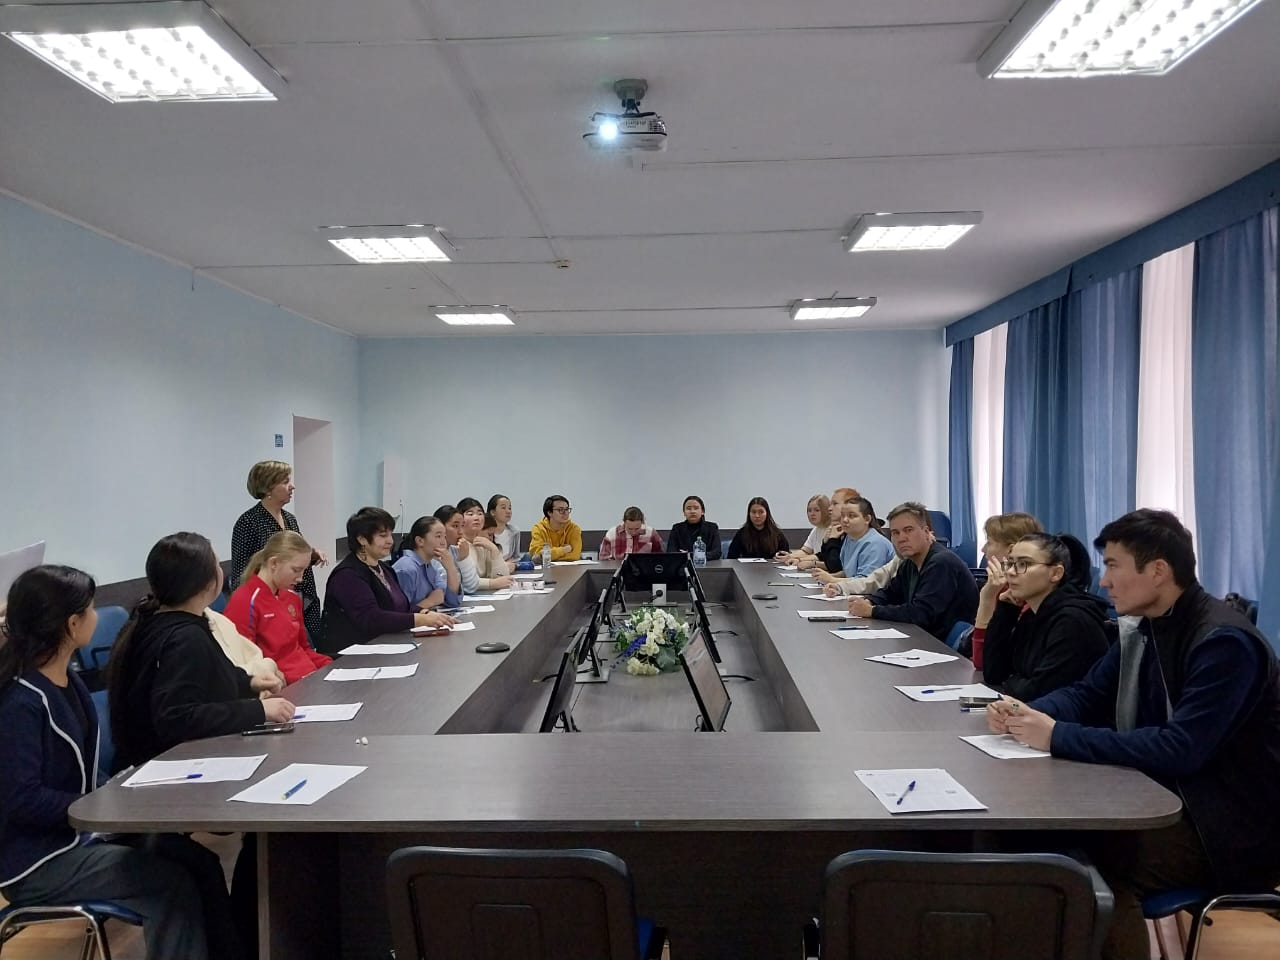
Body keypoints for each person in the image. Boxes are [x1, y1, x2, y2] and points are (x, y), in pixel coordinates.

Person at [987, 509, 1280, 960]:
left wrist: (1056, 735)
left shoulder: (1223, 643)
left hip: (1227, 828)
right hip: (1163, 799)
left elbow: (1180, 749)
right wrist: (1025, 712)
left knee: (1087, 873)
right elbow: (1087, 694)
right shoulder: (1146, 627)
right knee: (1033, 843)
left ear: (1157, 571)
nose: (1104, 581)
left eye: (1113, 566)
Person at [0, 565, 247, 960]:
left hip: (81, 834)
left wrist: (120, 790)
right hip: (40, 861)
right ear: (72, 624)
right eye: (90, 609)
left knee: (197, 860)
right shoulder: (21, 702)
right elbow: (22, 799)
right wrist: (98, 807)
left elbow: (82, 770)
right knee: (171, 884)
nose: (96, 617)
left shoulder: (68, 680)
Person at [105, 533, 296, 956]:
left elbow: (208, 681)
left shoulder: (165, 624)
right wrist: (257, 711)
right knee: (261, 836)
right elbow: (176, 717)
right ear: (209, 581)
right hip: (168, 774)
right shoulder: (185, 636)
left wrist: (249, 683)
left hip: (160, 765)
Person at [978, 532, 1109, 702]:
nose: (1010, 572)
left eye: (1024, 564)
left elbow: (1037, 693)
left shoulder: (1072, 621)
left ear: (1056, 573)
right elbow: (994, 673)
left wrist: (1011, 680)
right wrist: (1006, 610)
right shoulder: (1032, 614)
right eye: (1010, 563)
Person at [322, 508, 456, 653]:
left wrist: (426, 613)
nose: (390, 541)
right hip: (354, 653)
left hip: (384, 645)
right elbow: (371, 618)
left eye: (390, 534)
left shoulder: (384, 569)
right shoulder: (348, 575)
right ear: (362, 539)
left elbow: (402, 607)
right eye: (382, 536)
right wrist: (420, 619)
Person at [848, 502, 978, 641]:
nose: (901, 538)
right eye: (895, 533)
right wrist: (868, 601)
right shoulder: (910, 563)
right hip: (921, 637)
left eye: (908, 530)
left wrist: (872, 611)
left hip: (941, 645)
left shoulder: (941, 563)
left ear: (926, 532)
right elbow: (890, 593)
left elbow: (920, 614)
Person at [230, 460, 326, 647]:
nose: (292, 486)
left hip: (301, 596)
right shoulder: (248, 522)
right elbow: (242, 573)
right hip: (270, 603)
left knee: (309, 647)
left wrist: (311, 555)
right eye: (285, 481)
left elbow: (292, 554)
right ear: (268, 487)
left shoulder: (290, 518)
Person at [224, 531, 333, 685]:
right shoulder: (245, 601)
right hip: (283, 686)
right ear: (274, 563)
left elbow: (303, 648)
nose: (300, 578)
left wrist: (331, 666)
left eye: (303, 571)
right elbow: (243, 664)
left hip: (309, 679)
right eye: (296, 570)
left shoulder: (291, 597)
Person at [969, 512, 1045, 668]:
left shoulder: (1028, 599)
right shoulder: (1003, 589)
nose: (983, 549)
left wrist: (987, 600)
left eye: (989, 542)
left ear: (1011, 550)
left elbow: (983, 661)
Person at [817, 498, 894, 585]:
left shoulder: (876, 543)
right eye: (842, 515)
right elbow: (849, 572)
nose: (845, 520)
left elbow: (867, 582)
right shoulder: (849, 538)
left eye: (851, 516)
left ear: (867, 519)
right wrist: (828, 576)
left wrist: (832, 580)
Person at [393, 515, 459, 609]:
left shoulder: (430, 566)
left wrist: (450, 568)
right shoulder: (406, 569)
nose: (443, 542)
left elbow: (452, 601)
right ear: (420, 541)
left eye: (444, 536)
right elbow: (400, 613)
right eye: (438, 536)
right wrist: (430, 601)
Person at [458, 497, 514, 590]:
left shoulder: (483, 543)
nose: (476, 518)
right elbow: (464, 582)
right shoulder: (458, 544)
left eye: (480, 513)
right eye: (470, 514)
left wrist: (494, 549)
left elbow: (502, 576)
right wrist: (492, 583)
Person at [435, 504, 480, 594]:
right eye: (455, 526)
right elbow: (447, 592)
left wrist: (464, 558)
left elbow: (472, 587)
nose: (460, 532)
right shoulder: (433, 554)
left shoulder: (456, 550)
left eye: (462, 526)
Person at [779, 494, 832, 566]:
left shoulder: (832, 530)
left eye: (817, 510)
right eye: (809, 510)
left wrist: (800, 560)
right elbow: (806, 551)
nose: (812, 514)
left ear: (826, 511)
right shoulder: (816, 530)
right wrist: (790, 556)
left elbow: (825, 557)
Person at [666, 495, 722, 560]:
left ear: (702, 511)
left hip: (707, 564)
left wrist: (693, 556)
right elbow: (671, 552)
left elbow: (717, 552)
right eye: (688, 508)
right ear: (684, 513)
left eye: (696, 508)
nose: (692, 511)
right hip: (683, 564)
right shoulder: (677, 528)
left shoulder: (712, 527)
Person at [528, 495, 583, 561]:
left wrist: (550, 555)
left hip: (567, 567)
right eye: (561, 510)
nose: (566, 513)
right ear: (549, 513)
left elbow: (575, 556)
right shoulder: (538, 529)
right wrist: (563, 550)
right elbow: (537, 556)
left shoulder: (574, 529)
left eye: (567, 509)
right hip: (545, 567)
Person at [599, 506, 665, 560]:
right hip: (618, 570)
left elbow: (661, 557)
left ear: (642, 522)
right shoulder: (612, 534)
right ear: (624, 522)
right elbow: (603, 559)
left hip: (644, 571)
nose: (633, 532)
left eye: (637, 529)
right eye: (630, 529)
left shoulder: (651, 533)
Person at [485, 494, 520, 571]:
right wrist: (501, 565)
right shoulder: (484, 532)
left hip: (509, 570)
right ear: (493, 512)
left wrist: (512, 564)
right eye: (503, 508)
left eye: (509, 508)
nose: (508, 511)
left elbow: (516, 558)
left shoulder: (514, 532)